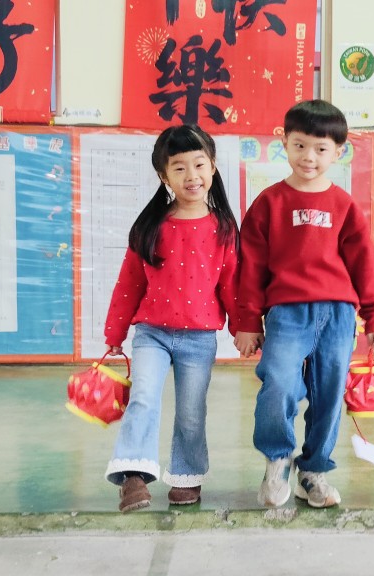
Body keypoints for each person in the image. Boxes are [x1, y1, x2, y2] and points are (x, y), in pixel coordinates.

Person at [234, 99, 374, 509]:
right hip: (287, 313)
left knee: (329, 395)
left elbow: (364, 265)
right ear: (284, 143)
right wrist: (247, 321)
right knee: (279, 383)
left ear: (338, 152)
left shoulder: (345, 207)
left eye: (321, 149)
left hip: (338, 314)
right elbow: (250, 267)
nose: (309, 156)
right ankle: (277, 460)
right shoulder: (269, 203)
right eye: (300, 145)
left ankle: (314, 472)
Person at [102, 125, 239, 513]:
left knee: (192, 412)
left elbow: (232, 285)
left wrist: (245, 328)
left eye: (199, 164)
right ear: (164, 176)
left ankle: (187, 476)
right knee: (143, 397)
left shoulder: (224, 229)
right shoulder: (151, 226)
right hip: (152, 334)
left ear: (213, 166)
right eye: (179, 168)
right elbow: (129, 283)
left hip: (199, 339)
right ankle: (133, 475)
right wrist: (115, 332)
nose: (191, 175)